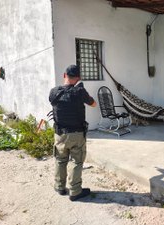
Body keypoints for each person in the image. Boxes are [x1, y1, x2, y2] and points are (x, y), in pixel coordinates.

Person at [49, 65, 97, 201]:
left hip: (59, 134)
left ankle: (59, 186)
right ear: (78, 78)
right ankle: (75, 191)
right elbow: (94, 104)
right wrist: (80, 89)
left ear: (64, 75)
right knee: (77, 161)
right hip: (76, 134)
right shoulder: (79, 92)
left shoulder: (53, 92)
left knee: (60, 160)